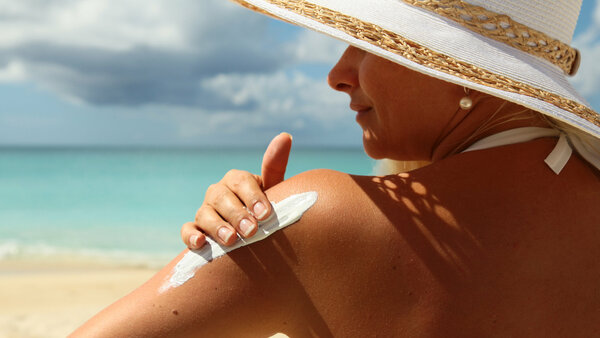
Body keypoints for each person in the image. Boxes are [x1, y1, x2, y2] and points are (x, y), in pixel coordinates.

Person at [72, 0, 600, 336]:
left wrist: (268, 243)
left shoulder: (319, 218)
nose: (338, 74)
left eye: (368, 43)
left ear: (463, 71)